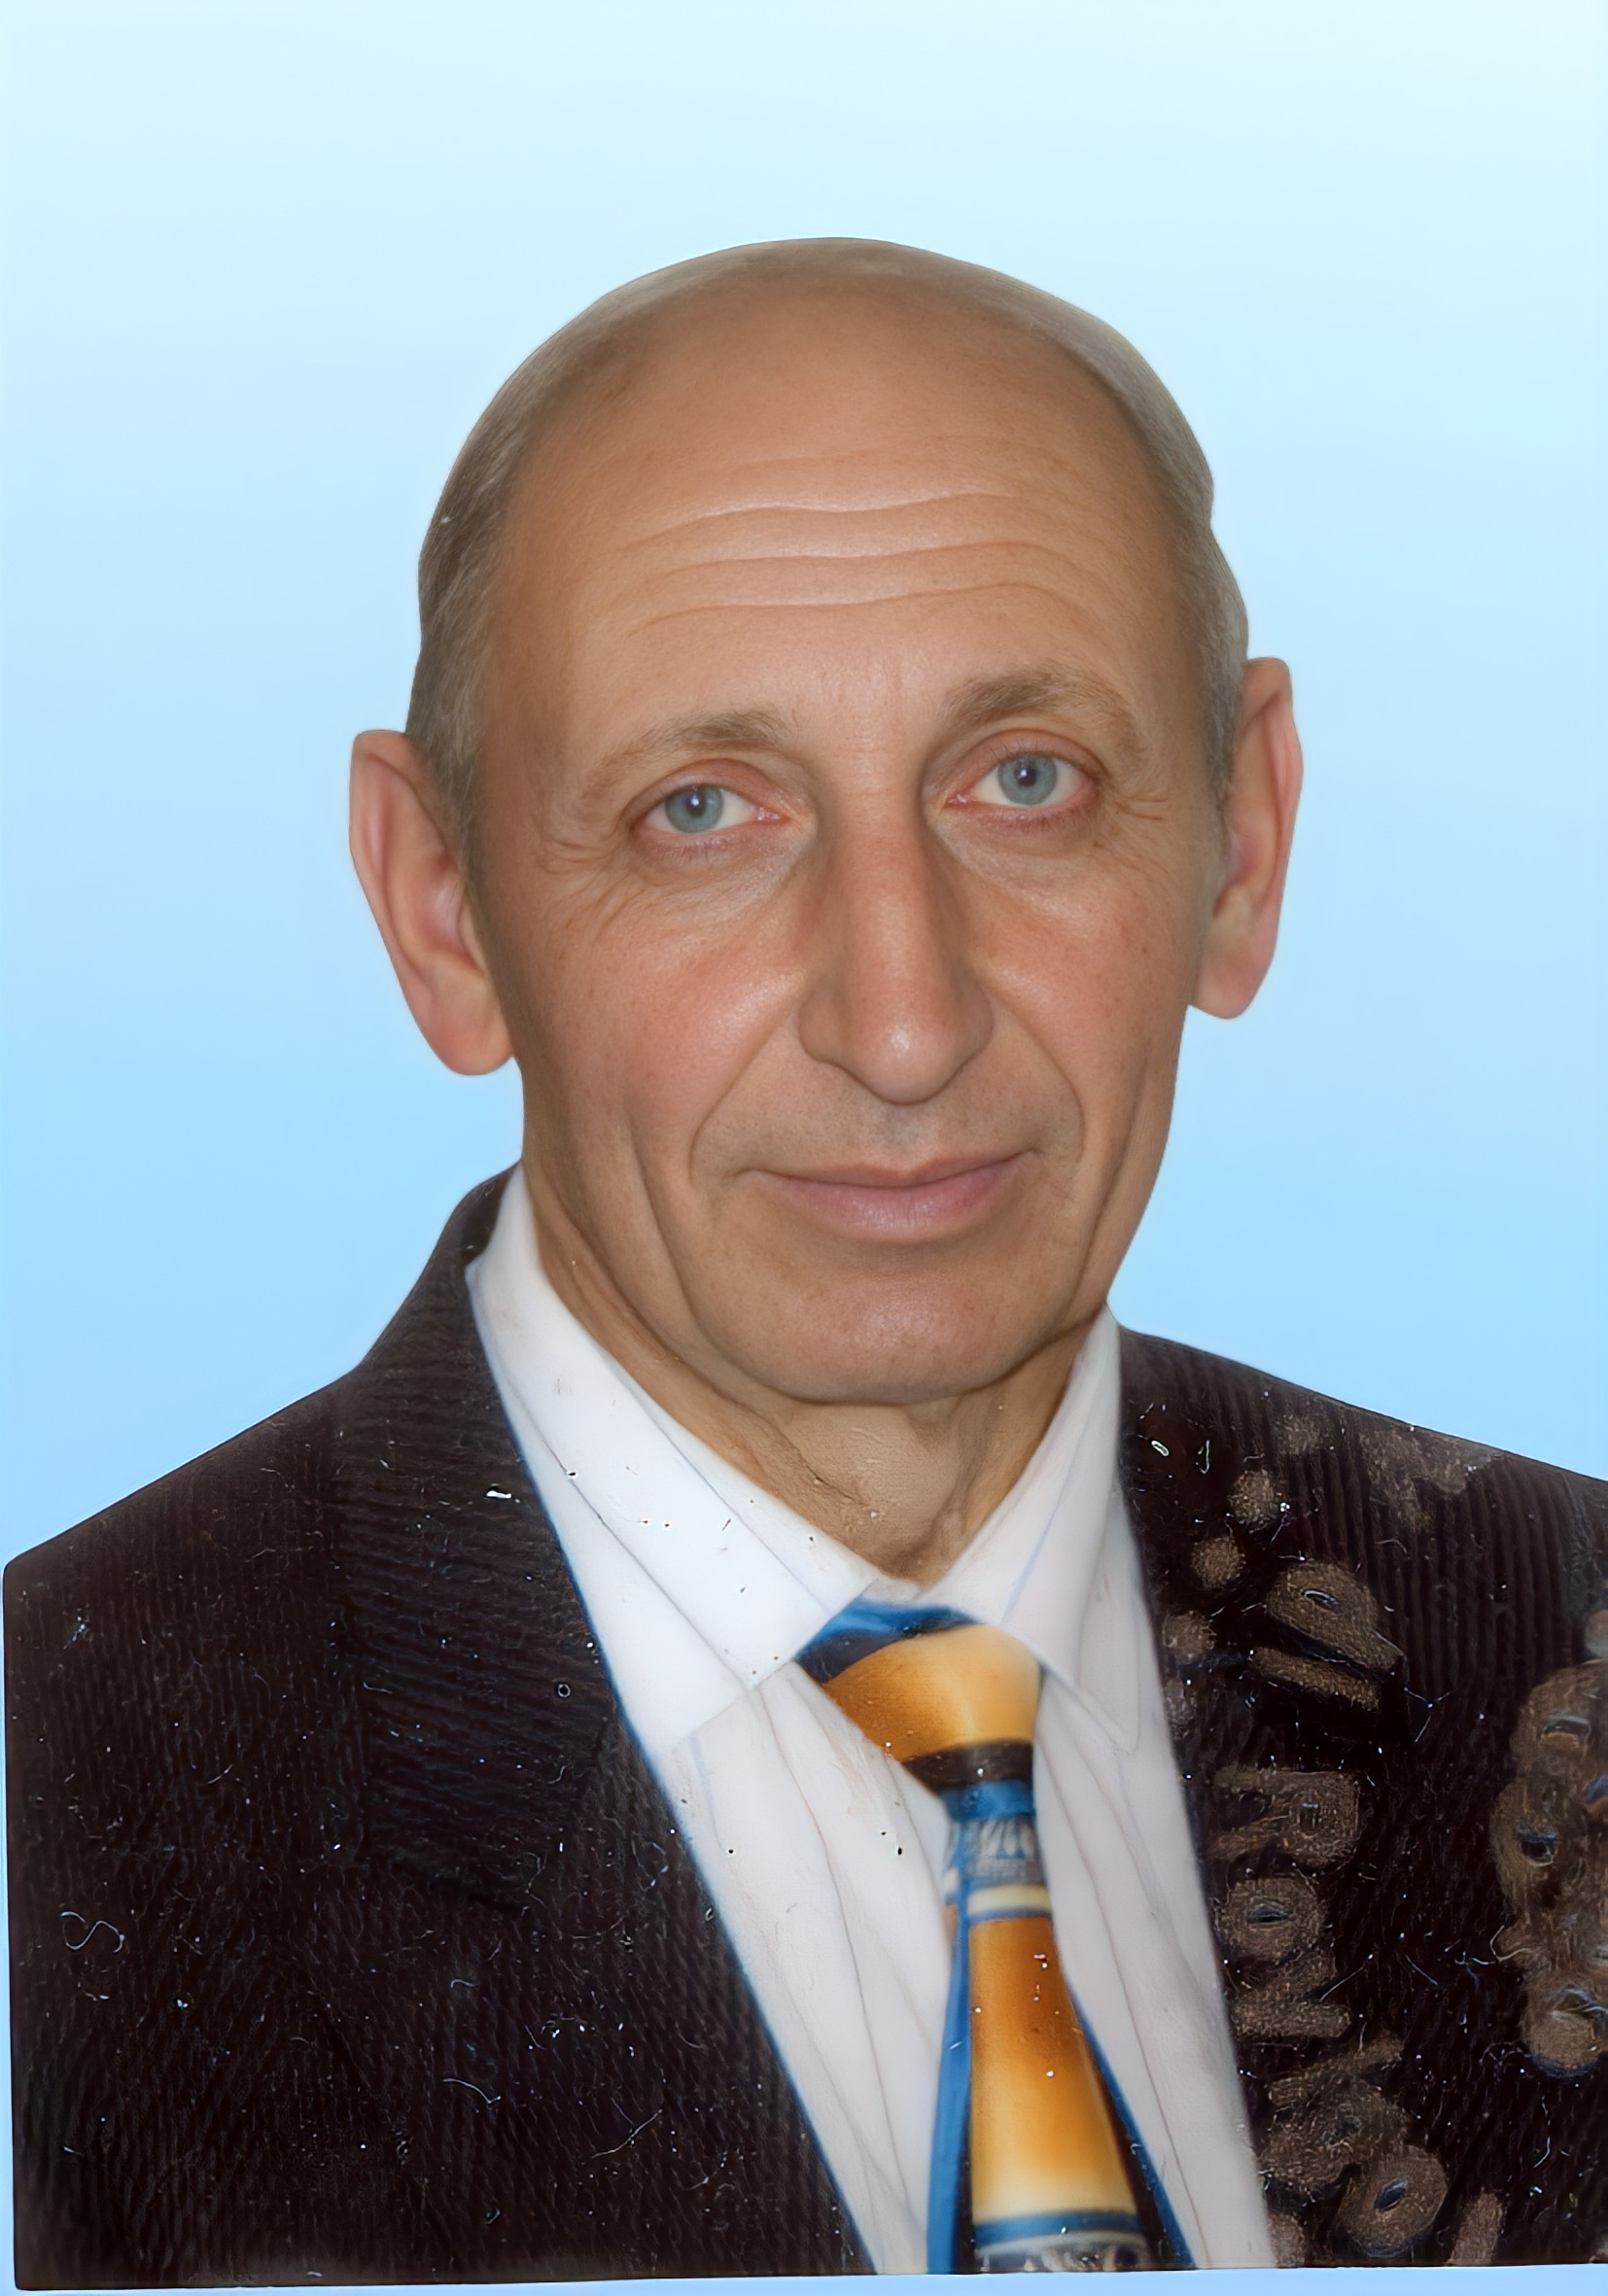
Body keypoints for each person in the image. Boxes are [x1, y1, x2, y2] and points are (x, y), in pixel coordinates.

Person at [7, 239, 1604, 2286]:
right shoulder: (54, 1801)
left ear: (1241, 840)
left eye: (1023, 782)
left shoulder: (1565, 1639)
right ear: (439, 905)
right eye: (702, 810)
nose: (903, 1022)